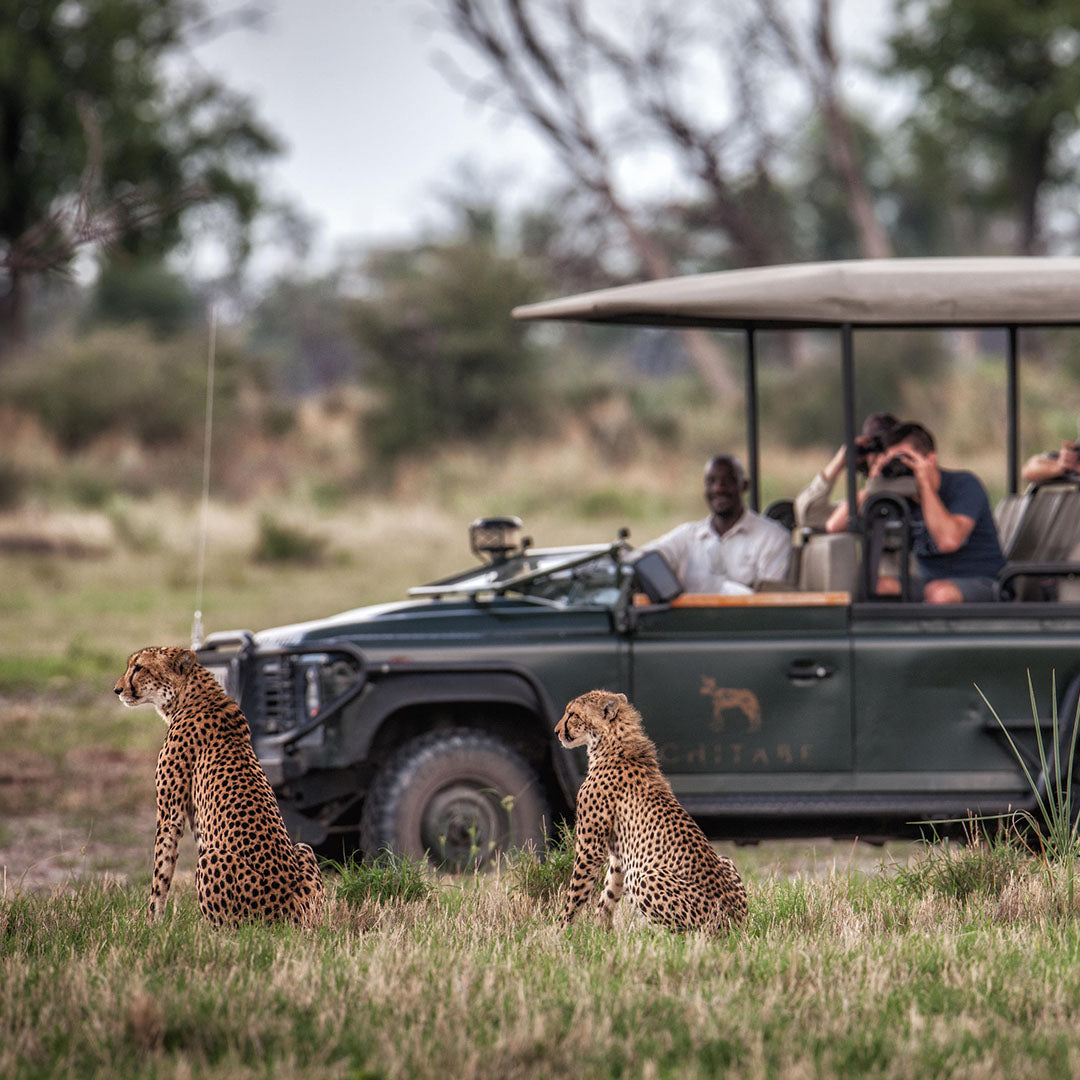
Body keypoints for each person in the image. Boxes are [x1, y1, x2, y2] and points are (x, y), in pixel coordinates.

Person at [868, 422, 1005, 603]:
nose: (902, 466)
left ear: (930, 460)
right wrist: (875, 485)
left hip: (984, 582)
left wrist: (924, 485)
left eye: (906, 459)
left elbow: (948, 541)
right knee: (879, 587)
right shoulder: (902, 497)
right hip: (930, 582)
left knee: (940, 594)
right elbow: (835, 525)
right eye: (894, 460)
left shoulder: (965, 484)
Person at [642, 454, 790, 593]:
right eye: (711, 481)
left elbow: (770, 603)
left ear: (745, 486)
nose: (718, 488)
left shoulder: (772, 537)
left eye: (728, 482)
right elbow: (642, 558)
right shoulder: (688, 536)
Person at [792, 412, 900, 533]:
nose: (884, 459)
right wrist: (840, 459)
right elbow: (810, 515)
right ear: (865, 456)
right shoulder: (862, 502)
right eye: (877, 450)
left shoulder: (919, 490)